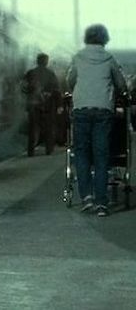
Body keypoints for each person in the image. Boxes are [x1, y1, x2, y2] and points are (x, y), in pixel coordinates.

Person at [67, 23, 128, 217]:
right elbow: (121, 84)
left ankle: (87, 198)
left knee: (82, 154)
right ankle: (102, 203)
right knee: (101, 155)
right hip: (103, 110)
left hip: (81, 109)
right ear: (104, 39)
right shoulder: (109, 58)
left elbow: (70, 81)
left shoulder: (78, 57)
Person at [22, 53, 60, 156]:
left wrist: (30, 92)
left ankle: (31, 151)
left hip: (33, 104)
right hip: (46, 105)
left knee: (32, 129)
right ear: (46, 61)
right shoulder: (50, 73)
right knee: (48, 128)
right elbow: (56, 88)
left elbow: (23, 87)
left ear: (37, 61)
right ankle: (48, 149)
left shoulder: (30, 73)